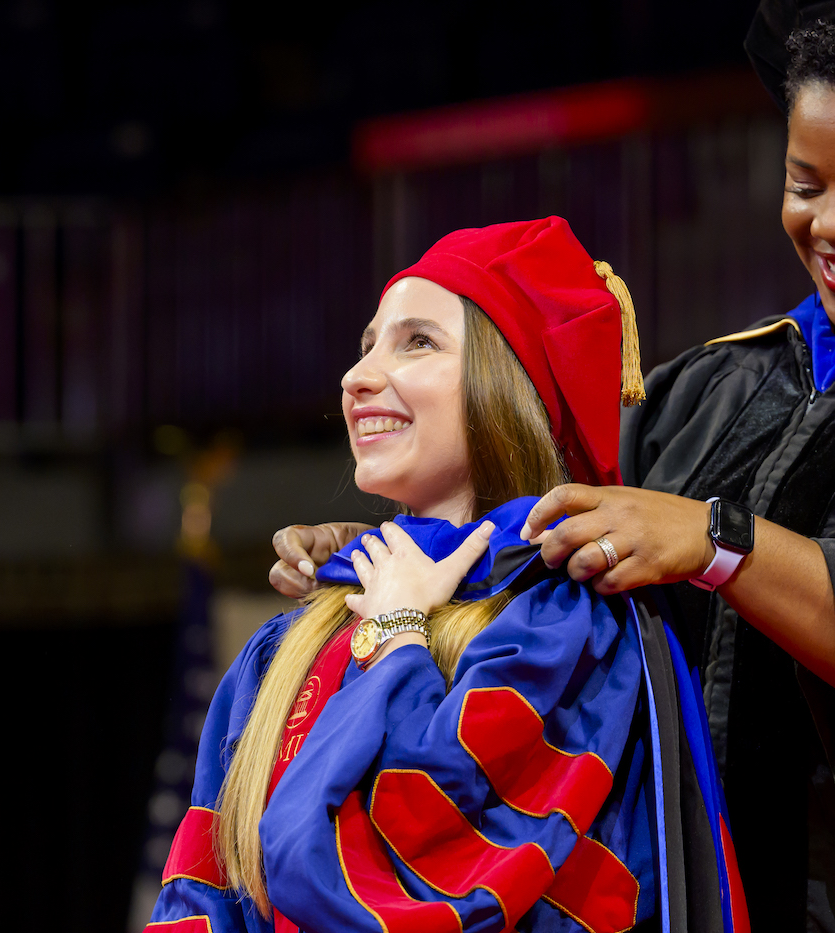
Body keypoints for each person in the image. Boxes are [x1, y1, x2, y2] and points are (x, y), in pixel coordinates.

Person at [271, 3, 835, 930]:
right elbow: (546, 548)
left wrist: (722, 545)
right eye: (805, 185)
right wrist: (398, 548)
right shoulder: (712, 390)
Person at [148, 217, 746, 933]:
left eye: (417, 343)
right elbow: (201, 898)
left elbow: (425, 883)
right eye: (367, 346)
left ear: (504, 385)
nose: (356, 378)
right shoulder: (289, 645)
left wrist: (400, 637)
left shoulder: (561, 629)